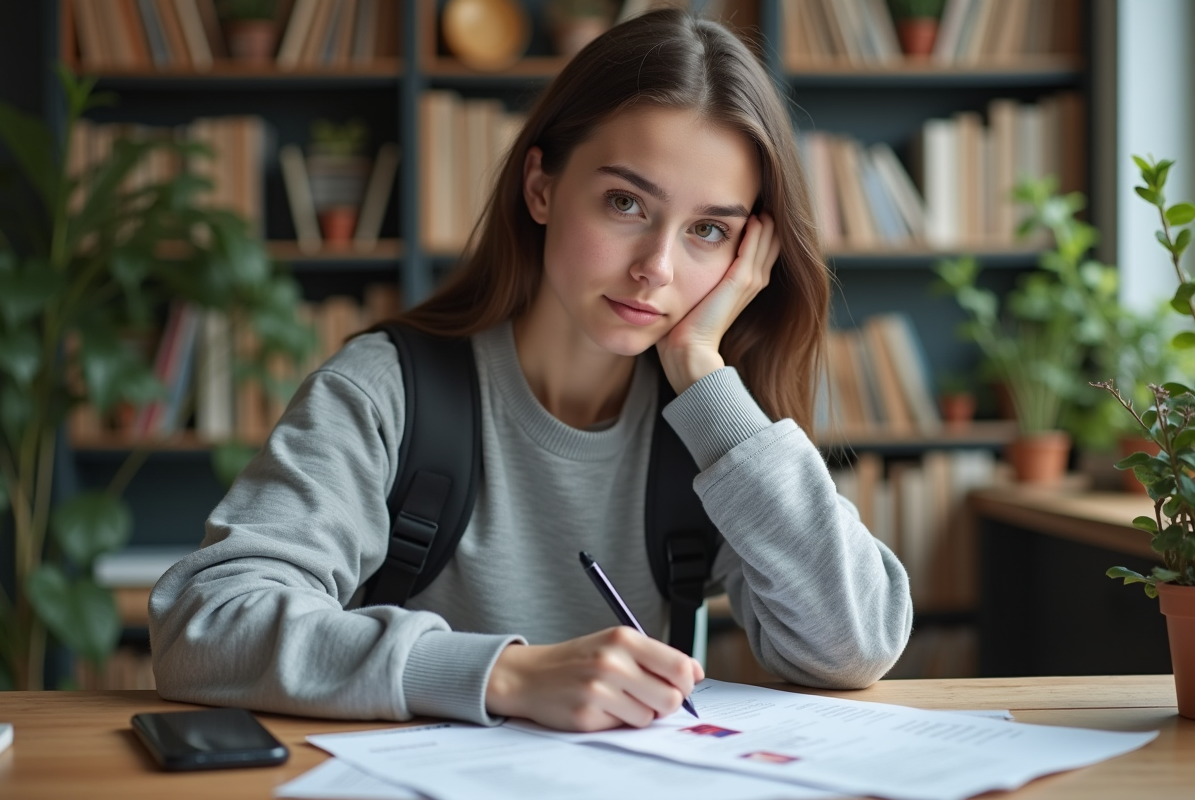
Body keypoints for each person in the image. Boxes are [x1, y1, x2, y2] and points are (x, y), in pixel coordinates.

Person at [149, 8, 912, 732]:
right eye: (625, 203)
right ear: (541, 187)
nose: (657, 267)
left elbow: (855, 646)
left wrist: (704, 372)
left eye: (708, 230)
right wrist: (502, 676)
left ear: (751, 256)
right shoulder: (383, 392)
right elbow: (206, 621)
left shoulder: (711, 432)